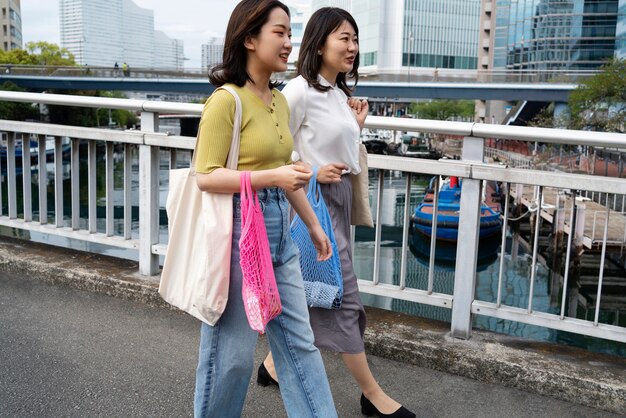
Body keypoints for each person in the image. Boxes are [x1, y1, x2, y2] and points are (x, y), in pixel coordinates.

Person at [258, 7, 416, 418]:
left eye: (355, 39)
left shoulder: (339, 95)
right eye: (344, 38)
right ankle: (372, 396)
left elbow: (347, 159)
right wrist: (312, 170)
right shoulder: (297, 91)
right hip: (310, 204)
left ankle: (272, 367)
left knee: (317, 287)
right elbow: (274, 149)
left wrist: (356, 126)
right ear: (320, 41)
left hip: (337, 201)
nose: (353, 47)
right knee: (342, 297)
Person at [193, 1, 338, 417]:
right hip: (240, 228)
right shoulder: (226, 101)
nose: (289, 42)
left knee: (299, 345)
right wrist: (270, 179)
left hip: (280, 232)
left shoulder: (278, 101)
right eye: (280, 32)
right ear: (250, 38)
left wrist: (311, 224)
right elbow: (206, 175)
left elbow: (284, 171)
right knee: (232, 355)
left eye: (291, 33)